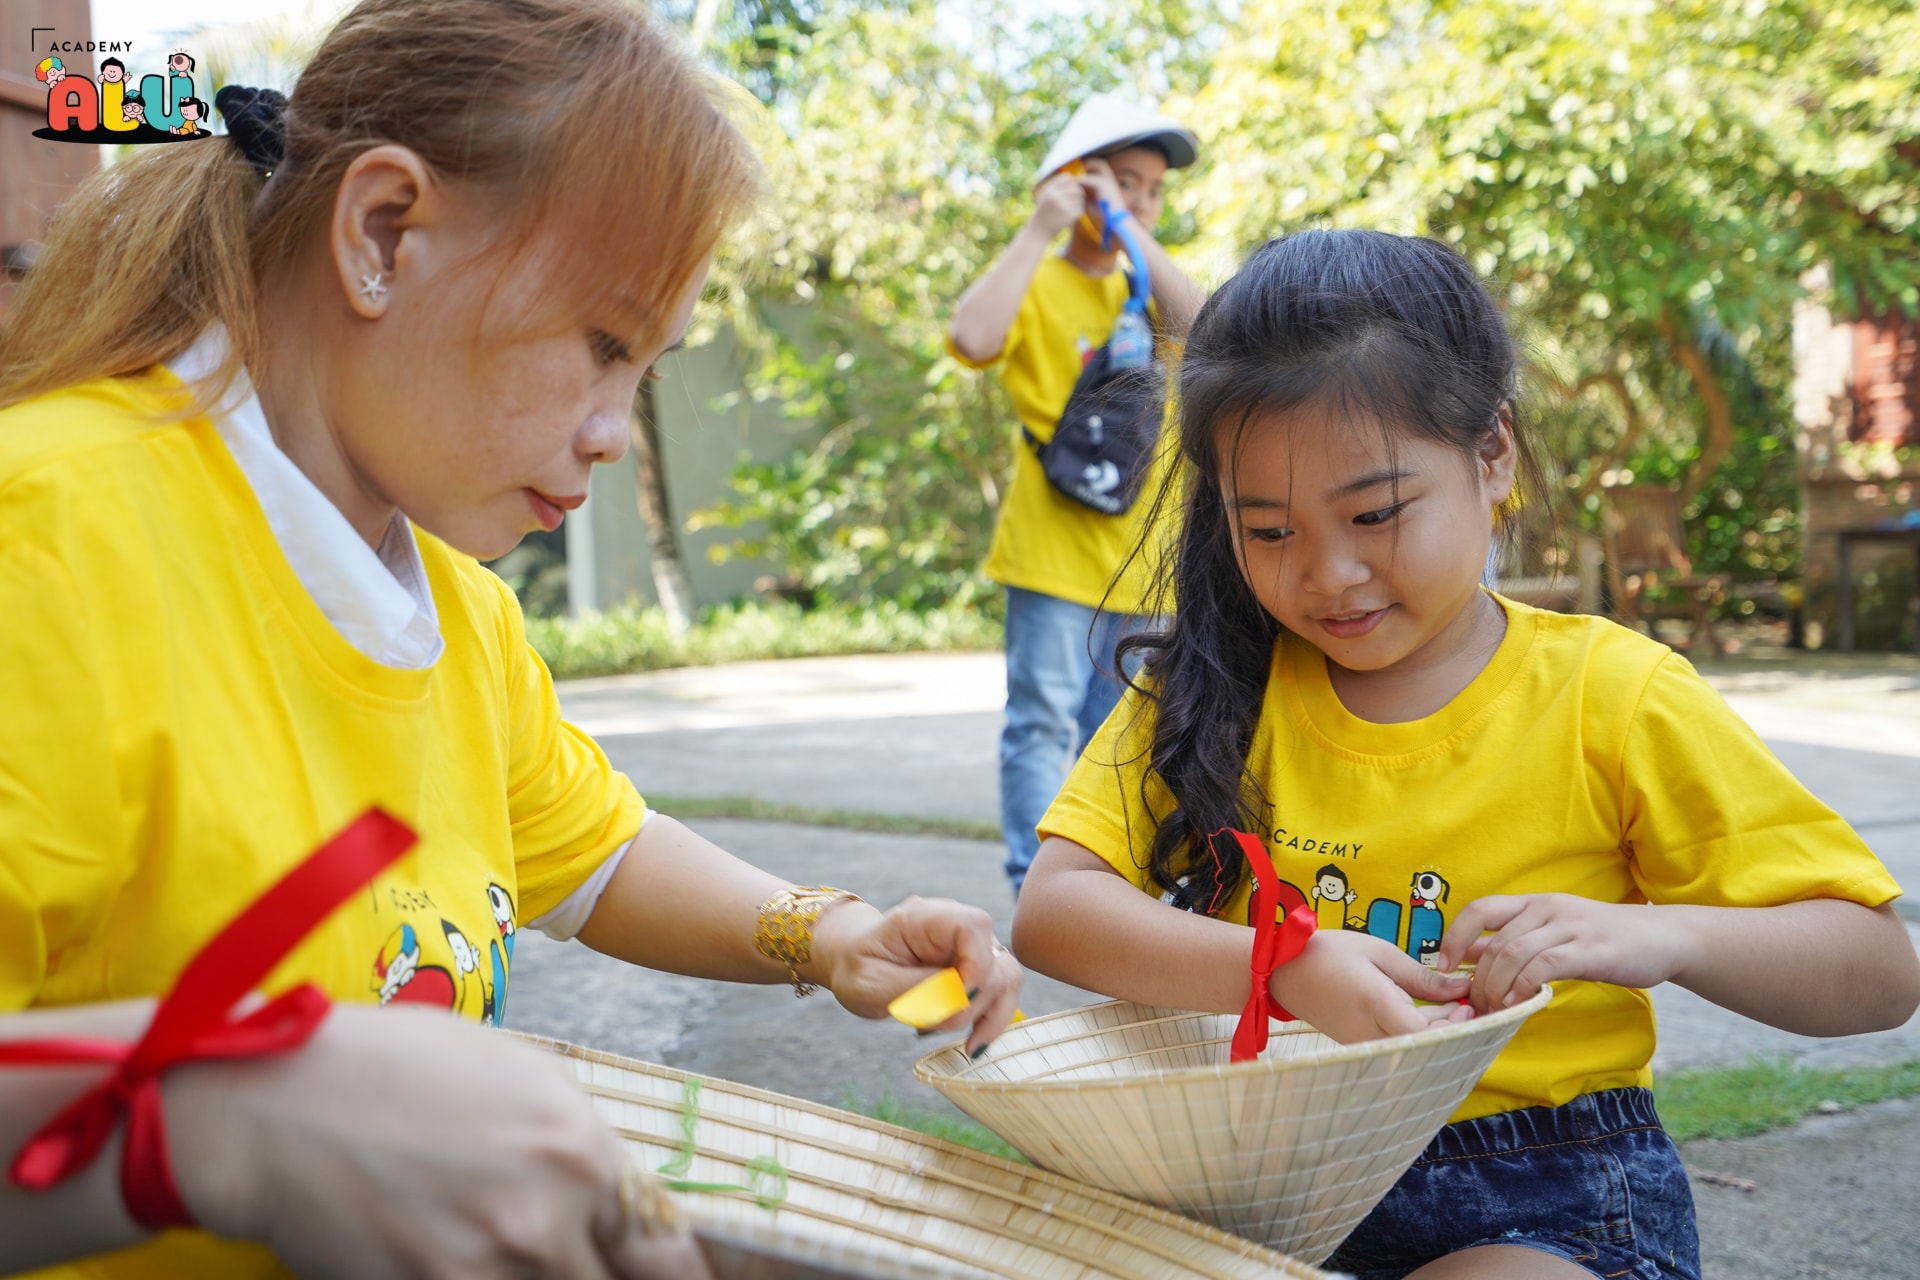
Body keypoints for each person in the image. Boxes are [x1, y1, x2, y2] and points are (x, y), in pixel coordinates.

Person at [0, 1, 1020, 1277]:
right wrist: (228, 1116)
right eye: (600, 343)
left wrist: (824, 933)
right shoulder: (43, 540)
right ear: (382, 233)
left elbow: (598, 852)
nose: (609, 427)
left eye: (641, 369)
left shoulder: (457, 609)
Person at [1012, 229, 1920, 1279]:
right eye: (1268, 530)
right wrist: (1282, 964)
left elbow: (1877, 970)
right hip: (1250, 1176)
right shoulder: (1215, 683)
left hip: (1544, 1204)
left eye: (1376, 512)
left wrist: (1665, 933)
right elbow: (1056, 908)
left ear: (1491, 456)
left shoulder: (1612, 696)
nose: (1330, 572)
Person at [947, 94, 1206, 896]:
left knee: (1123, 734)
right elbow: (971, 339)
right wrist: (1040, 227)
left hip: (1139, 559)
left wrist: (1131, 229)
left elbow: (1209, 328)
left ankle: (1104, 887)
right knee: (1040, 725)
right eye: (1122, 180)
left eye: (1153, 189)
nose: (1140, 200)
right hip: (1052, 555)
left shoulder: (1144, 290)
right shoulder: (1039, 278)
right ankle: (1036, 888)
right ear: (1074, 179)